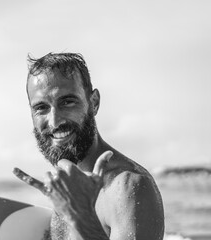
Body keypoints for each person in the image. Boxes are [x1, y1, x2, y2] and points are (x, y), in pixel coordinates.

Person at [13, 52, 164, 240]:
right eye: (41, 107)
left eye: (67, 102)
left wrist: (83, 219)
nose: (54, 122)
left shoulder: (127, 188)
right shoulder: (67, 186)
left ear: (93, 103)